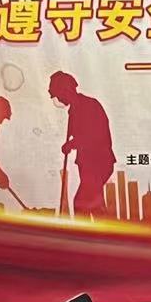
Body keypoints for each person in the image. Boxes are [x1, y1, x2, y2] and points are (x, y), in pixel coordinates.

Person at [50, 70, 115, 216]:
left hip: (97, 162)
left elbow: (92, 135)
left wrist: (71, 144)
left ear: (66, 90)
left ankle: (93, 229)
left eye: (58, 94)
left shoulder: (88, 105)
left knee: (82, 203)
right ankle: (101, 229)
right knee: (93, 204)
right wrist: (71, 143)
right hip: (87, 163)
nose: (58, 98)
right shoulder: (74, 110)